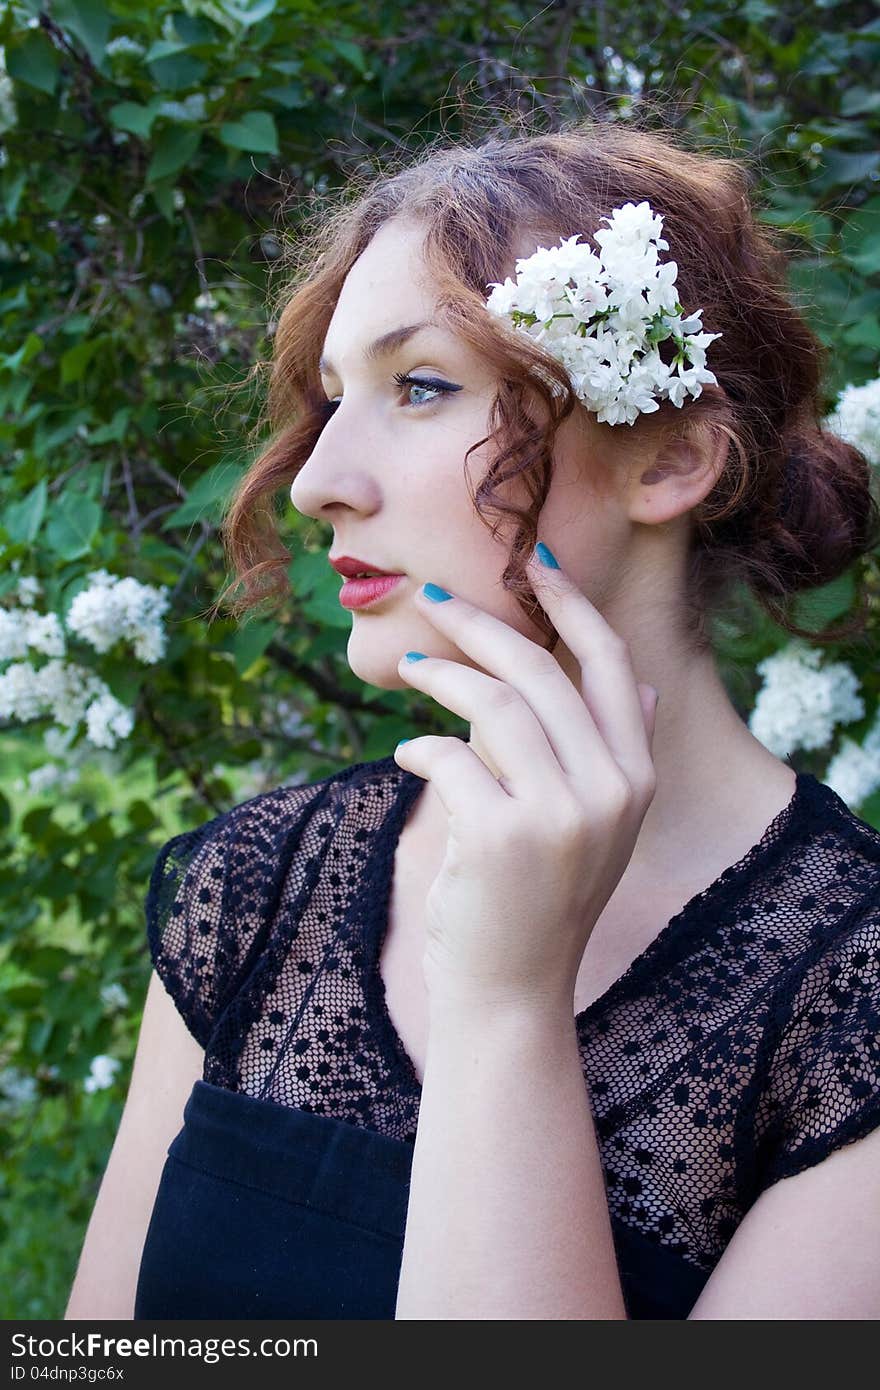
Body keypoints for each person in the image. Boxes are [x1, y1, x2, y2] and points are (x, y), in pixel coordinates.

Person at [66, 118, 880, 1321]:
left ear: (664, 462)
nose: (315, 481)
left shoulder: (851, 1002)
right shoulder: (258, 881)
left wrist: (504, 1000)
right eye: (335, 399)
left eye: (423, 387)